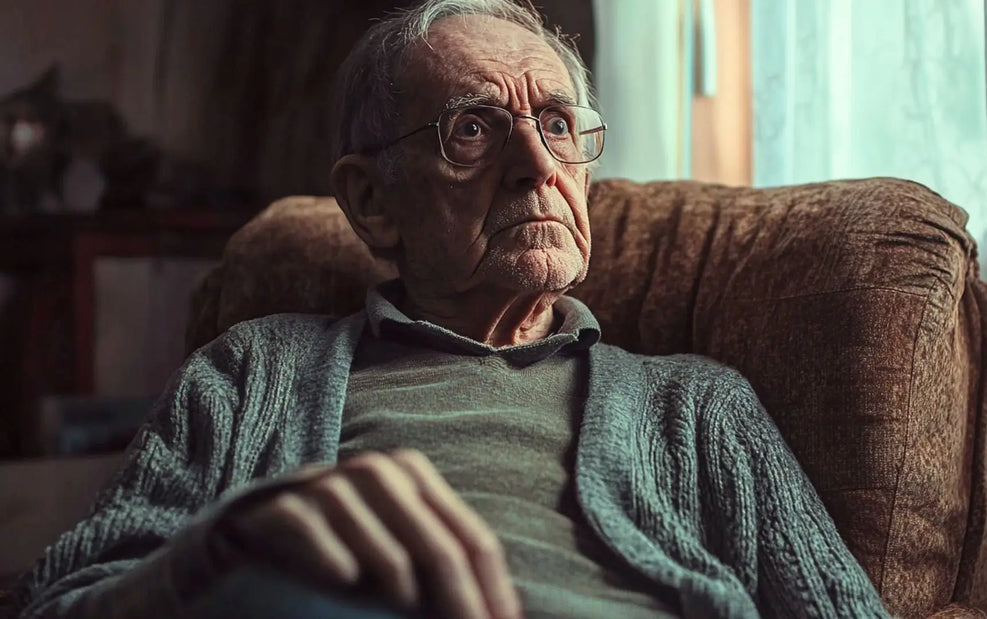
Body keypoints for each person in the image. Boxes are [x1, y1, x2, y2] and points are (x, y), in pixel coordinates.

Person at [12, 1, 889, 617]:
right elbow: (57, 601)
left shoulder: (698, 406)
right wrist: (208, 555)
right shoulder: (254, 374)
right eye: (472, 129)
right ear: (372, 200)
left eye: (556, 124)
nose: (536, 165)